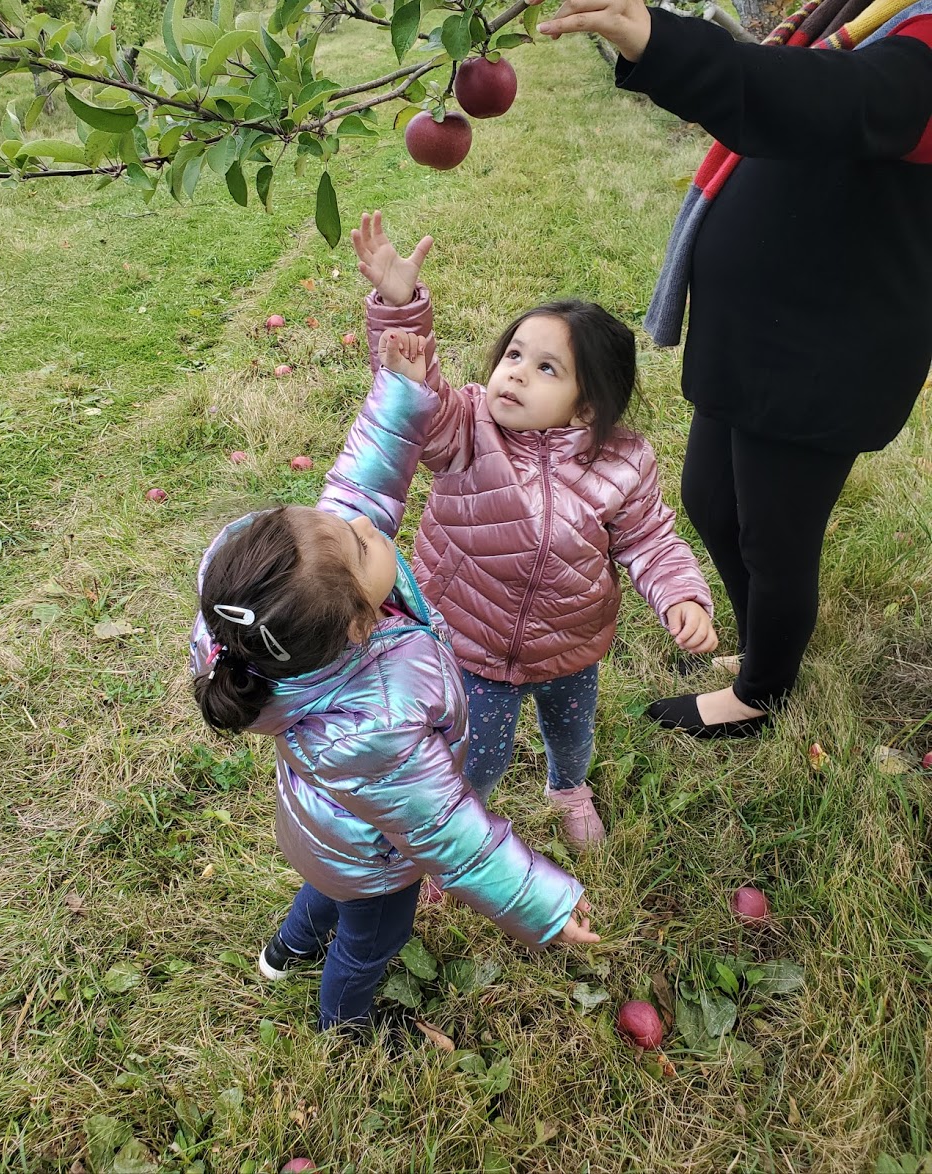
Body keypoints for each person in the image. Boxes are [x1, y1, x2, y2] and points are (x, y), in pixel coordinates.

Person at [536, 0, 932, 736]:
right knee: (711, 500)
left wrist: (659, 40)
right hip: (758, 330)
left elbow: (808, 98)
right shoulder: (869, 12)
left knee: (775, 536)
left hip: (826, 348)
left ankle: (763, 692)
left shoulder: (923, 48)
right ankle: (763, 647)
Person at [189, 329, 599, 1036]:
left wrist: (402, 390)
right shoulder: (374, 730)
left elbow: (360, 485)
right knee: (370, 940)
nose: (366, 527)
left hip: (326, 831)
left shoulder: (275, 608)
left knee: (323, 887)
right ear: (360, 626)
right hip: (378, 857)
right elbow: (451, 833)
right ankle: (342, 1021)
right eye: (360, 543)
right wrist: (541, 902)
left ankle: (283, 952)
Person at [350, 211, 717, 847]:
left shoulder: (623, 461)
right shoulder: (465, 427)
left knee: (572, 730)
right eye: (514, 354)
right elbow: (416, 397)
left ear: (589, 405)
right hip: (471, 637)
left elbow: (650, 538)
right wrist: (401, 307)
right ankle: (457, 832)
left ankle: (568, 787)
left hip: (570, 641)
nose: (515, 371)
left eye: (547, 368)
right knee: (479, 757)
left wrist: (681, 594)